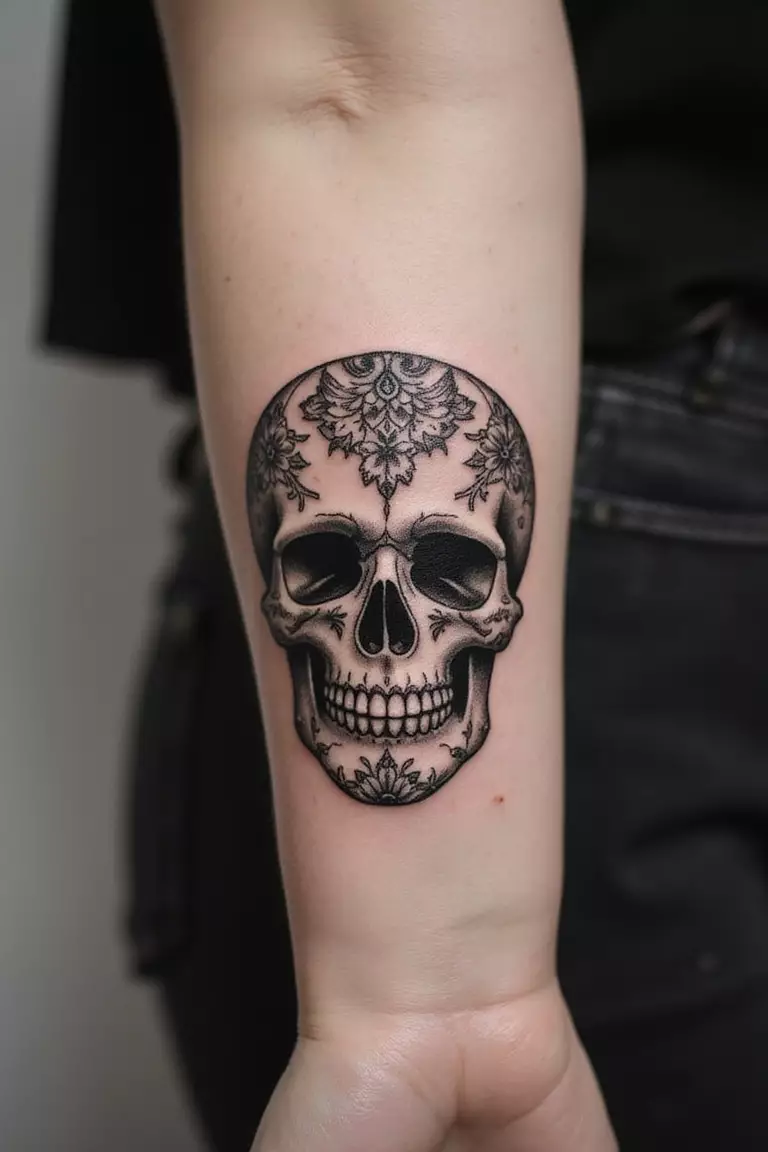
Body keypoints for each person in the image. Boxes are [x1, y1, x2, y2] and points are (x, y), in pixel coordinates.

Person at [42, 1, 768, 1149]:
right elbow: (354, 68)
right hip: (628, 528)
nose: (386, 636)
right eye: (326, 569)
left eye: (450, 575)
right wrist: (439, 996)